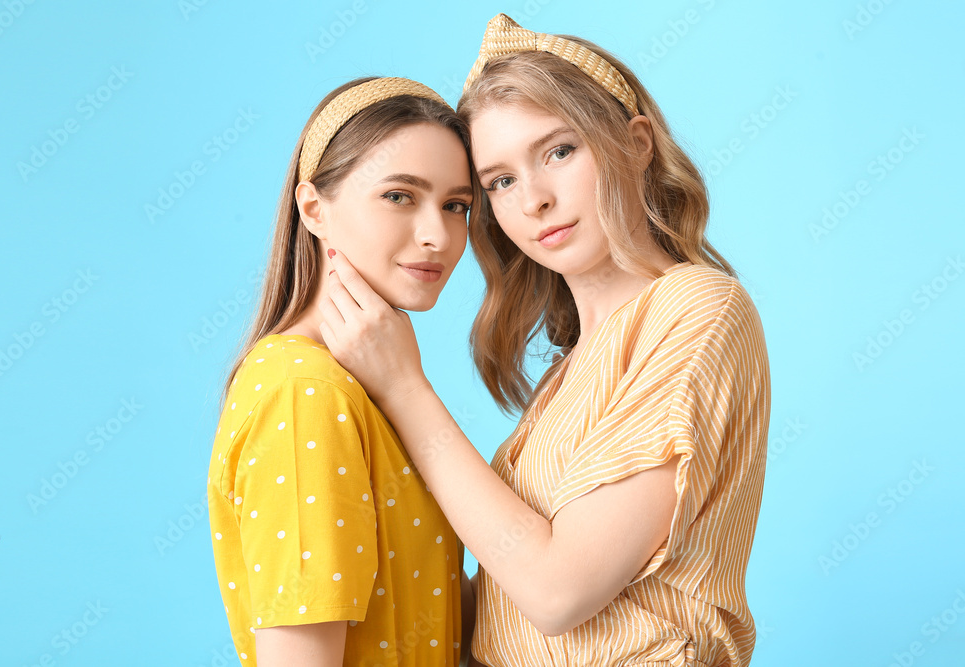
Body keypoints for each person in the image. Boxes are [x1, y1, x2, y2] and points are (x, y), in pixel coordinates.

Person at [318, 15, 770, 667]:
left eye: (558, 151)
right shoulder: (570, 368)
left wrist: (401, 386)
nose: (532, 199)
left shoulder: (697, 307)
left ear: (636, 143)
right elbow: (500, 620)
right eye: (499, 181)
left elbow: (558, 591)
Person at [206, 76, 478, 666]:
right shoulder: (304, 390)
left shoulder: (364, 384)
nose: (438, 235)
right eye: (400, 195)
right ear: (314, 208)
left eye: (456, 206)